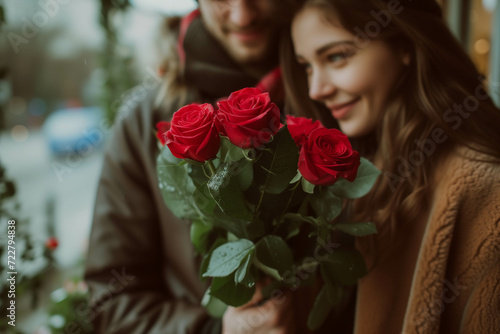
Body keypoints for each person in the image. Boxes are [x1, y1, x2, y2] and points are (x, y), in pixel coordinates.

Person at [284, 0, 500, 332]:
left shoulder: (482, 190)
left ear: (403, 44)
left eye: (337, 56)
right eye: (307, 66)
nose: (316, 89)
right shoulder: (364, 168)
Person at [84, 1, 297, 333]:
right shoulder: (144, 122)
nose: (243, 15)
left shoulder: (335, 95)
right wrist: (216, 330)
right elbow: (112, 300)